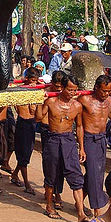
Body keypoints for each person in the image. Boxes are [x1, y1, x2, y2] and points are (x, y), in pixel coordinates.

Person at [36, 74, 88, 222]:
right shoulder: (51, 102)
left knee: (76, 176)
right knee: (51, 174)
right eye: (70, 90)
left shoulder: (77, 106)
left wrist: (82, 148)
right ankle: (49, 205)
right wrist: (41, 101)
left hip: (69, 140)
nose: (72, 93)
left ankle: (81, 213)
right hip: (53, 139)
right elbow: (39, 118)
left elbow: (79, 127)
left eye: (75, 90)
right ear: (63, 88)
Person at [78, 75, 111, 216]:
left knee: (97, 173)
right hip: (89, 139)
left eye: (108, 91)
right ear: (96, 88)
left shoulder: (108, 99)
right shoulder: (85, 99)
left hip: (102, 139)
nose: (105, 94)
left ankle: (79, 202)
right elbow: (80, 125)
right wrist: (81, 147)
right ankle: (97, 210)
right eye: (103, 91)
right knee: (94, 174)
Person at [37, 70, 66, 209]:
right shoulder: (46, 92)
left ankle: (57, 192)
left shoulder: (66, 93)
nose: (59, 89)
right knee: (49, 162)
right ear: (52, 83)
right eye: (56, 86)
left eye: (61, 87)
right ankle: (50, 190)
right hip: (47, 129)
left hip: (61, 132)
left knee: (61, 163)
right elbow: (39, 116)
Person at [10, 67, 40, 195]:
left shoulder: (36, 89)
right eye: (32, 80)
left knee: (26, 153)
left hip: (30, 123)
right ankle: (27, 183)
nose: (34, 83)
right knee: (24, 154)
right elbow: (23, 109)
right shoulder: (21, 89)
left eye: (36, 80)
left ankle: (15, 174)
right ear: (27, 79)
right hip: (23, 123)